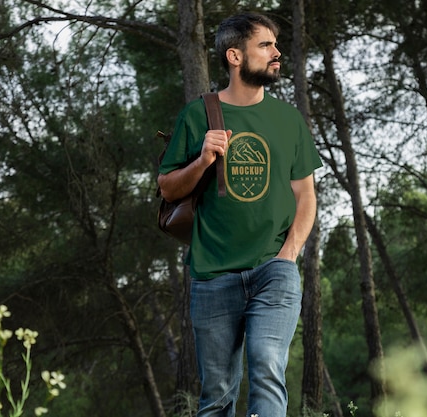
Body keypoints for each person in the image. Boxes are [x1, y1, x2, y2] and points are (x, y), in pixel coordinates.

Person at [157, 12, 322, 417]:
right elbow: (168, 189)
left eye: (275, 45)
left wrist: (290, 254)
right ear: (235, 55)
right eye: (265, 45)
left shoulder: (288, 120)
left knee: (267, 365)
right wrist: (202, 160)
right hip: (213, 274)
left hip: (273, 268)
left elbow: (306, 195)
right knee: (217, 397)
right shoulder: (197, 116)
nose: (276, 52)